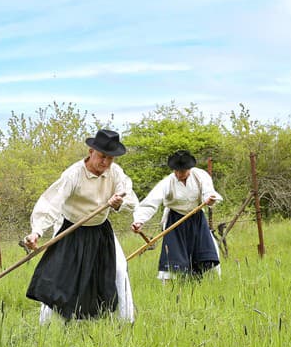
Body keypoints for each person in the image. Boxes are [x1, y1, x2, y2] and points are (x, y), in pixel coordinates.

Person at [23, 129, 138, 323]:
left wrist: (120, 202)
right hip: (72, 228)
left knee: (118, 269)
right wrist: (37, 231)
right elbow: (51, 203)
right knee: (59, 276)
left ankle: (126, 322)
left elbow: (128, 194)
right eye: (102, 157)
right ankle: (46, 327)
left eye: (111, 159)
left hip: (101, 229)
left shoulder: (114, 172)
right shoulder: (73, 174)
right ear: (91, 151)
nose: (106, 163)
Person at [131, 149, 222, 280]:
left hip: (197, 219)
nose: (179, 174)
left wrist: (210, 199)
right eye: (176, 171)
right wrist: (139, 220)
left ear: (190, 168)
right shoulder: (168, 182)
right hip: (175, 221)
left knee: (207, 253)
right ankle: (170, 288)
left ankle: (203, 283)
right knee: (174, 256)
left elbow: (208, 192)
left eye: (183, 171)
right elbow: (152, 201)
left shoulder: (200, 176)